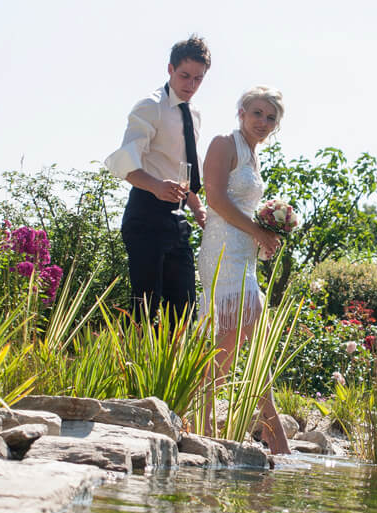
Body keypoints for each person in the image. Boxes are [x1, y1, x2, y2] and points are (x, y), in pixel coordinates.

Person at [198, 86, 289, 454]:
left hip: (244, 256)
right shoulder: (224, 143)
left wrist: (265, 237)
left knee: (250, 339)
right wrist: (257, 230)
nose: (263, 122)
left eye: (271, 118)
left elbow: (245, 208)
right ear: (241, 112)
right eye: (257, 113)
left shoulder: (254, 155)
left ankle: (264, 428)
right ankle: (274, 430)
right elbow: (215, 199)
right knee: (242, 333)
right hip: (221, 252)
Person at [105, 35, 210, 321]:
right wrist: (155, 186)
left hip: (177, 218)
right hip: (146, 214)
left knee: (185, 312)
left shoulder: (195, 114)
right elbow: (125, 163)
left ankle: (174, 367)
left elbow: (184, 170)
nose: (190, 85)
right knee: (145, 311)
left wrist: (197, 207)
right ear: (170, 70)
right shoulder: (149, 107)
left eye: (198, 79)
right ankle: (133, 365)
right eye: (185, 76)